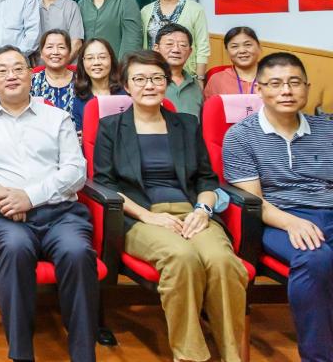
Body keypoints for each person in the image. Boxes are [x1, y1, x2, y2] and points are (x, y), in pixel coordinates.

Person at [0, 45, 98, 362]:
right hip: (9, 217)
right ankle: (21, 353)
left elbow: (76, 172)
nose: (11, 75)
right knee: (14, 250)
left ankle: (84, 354)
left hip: (61, 214)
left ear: (31, 74)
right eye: (2, 70)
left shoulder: (58, 117)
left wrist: (30, 196)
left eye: (18, 68)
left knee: (77, 252)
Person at [94, 50, 247, 362]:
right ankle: (190, 355)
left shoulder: (187, 124)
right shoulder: (111, 127)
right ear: (126, 86)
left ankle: (232, 355)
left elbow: (206, 179)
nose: (149, 85)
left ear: (167, 82)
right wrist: (149, 216)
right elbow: (105, 184)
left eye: (156, 78)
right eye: (139, 79)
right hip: (141, 217)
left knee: (222, 261)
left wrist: (203, 211)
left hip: (191, 212)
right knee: (181, 257)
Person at [223, 52, 333, 362]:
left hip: (328, 210)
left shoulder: (327, 130)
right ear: (259, 89)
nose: (286, 91)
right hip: (278, 218)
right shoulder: (241, 136)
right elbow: (254, 201)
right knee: (315, 258)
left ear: (306, 88)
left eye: (294, 83)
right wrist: (291, 223)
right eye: (276, 83)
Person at [140, 0, 209, 79]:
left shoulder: (195, 9)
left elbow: (203, 47)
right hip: (152, 75)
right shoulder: (145, 11)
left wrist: (200, 78)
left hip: (186, 75)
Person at [72, 38, 126, 133]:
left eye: (102, 57)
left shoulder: (126, 93)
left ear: (111, 59)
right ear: (82, 62)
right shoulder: (79, 99)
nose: (96, 63)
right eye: (90, 58)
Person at [153, 23, 203, 118]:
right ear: (156, 49)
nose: (176, 50)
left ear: (190, 52)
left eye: (183, 45)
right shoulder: (147, 82)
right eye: (169, 44)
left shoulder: (195, 85)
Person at [203, 26, 262, 99]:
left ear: (259, 47)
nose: (242, 51)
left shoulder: (272, 76)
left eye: (248, 45)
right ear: (227, 52)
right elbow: (209, 105)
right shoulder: (216, 80)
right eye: (234, 46)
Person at [30, 29, 77, 116]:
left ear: (69, 52)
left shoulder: (82, 80)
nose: (55, 52)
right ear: (41, 53)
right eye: (49, 47)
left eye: (61, 47)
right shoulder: (31, 82)